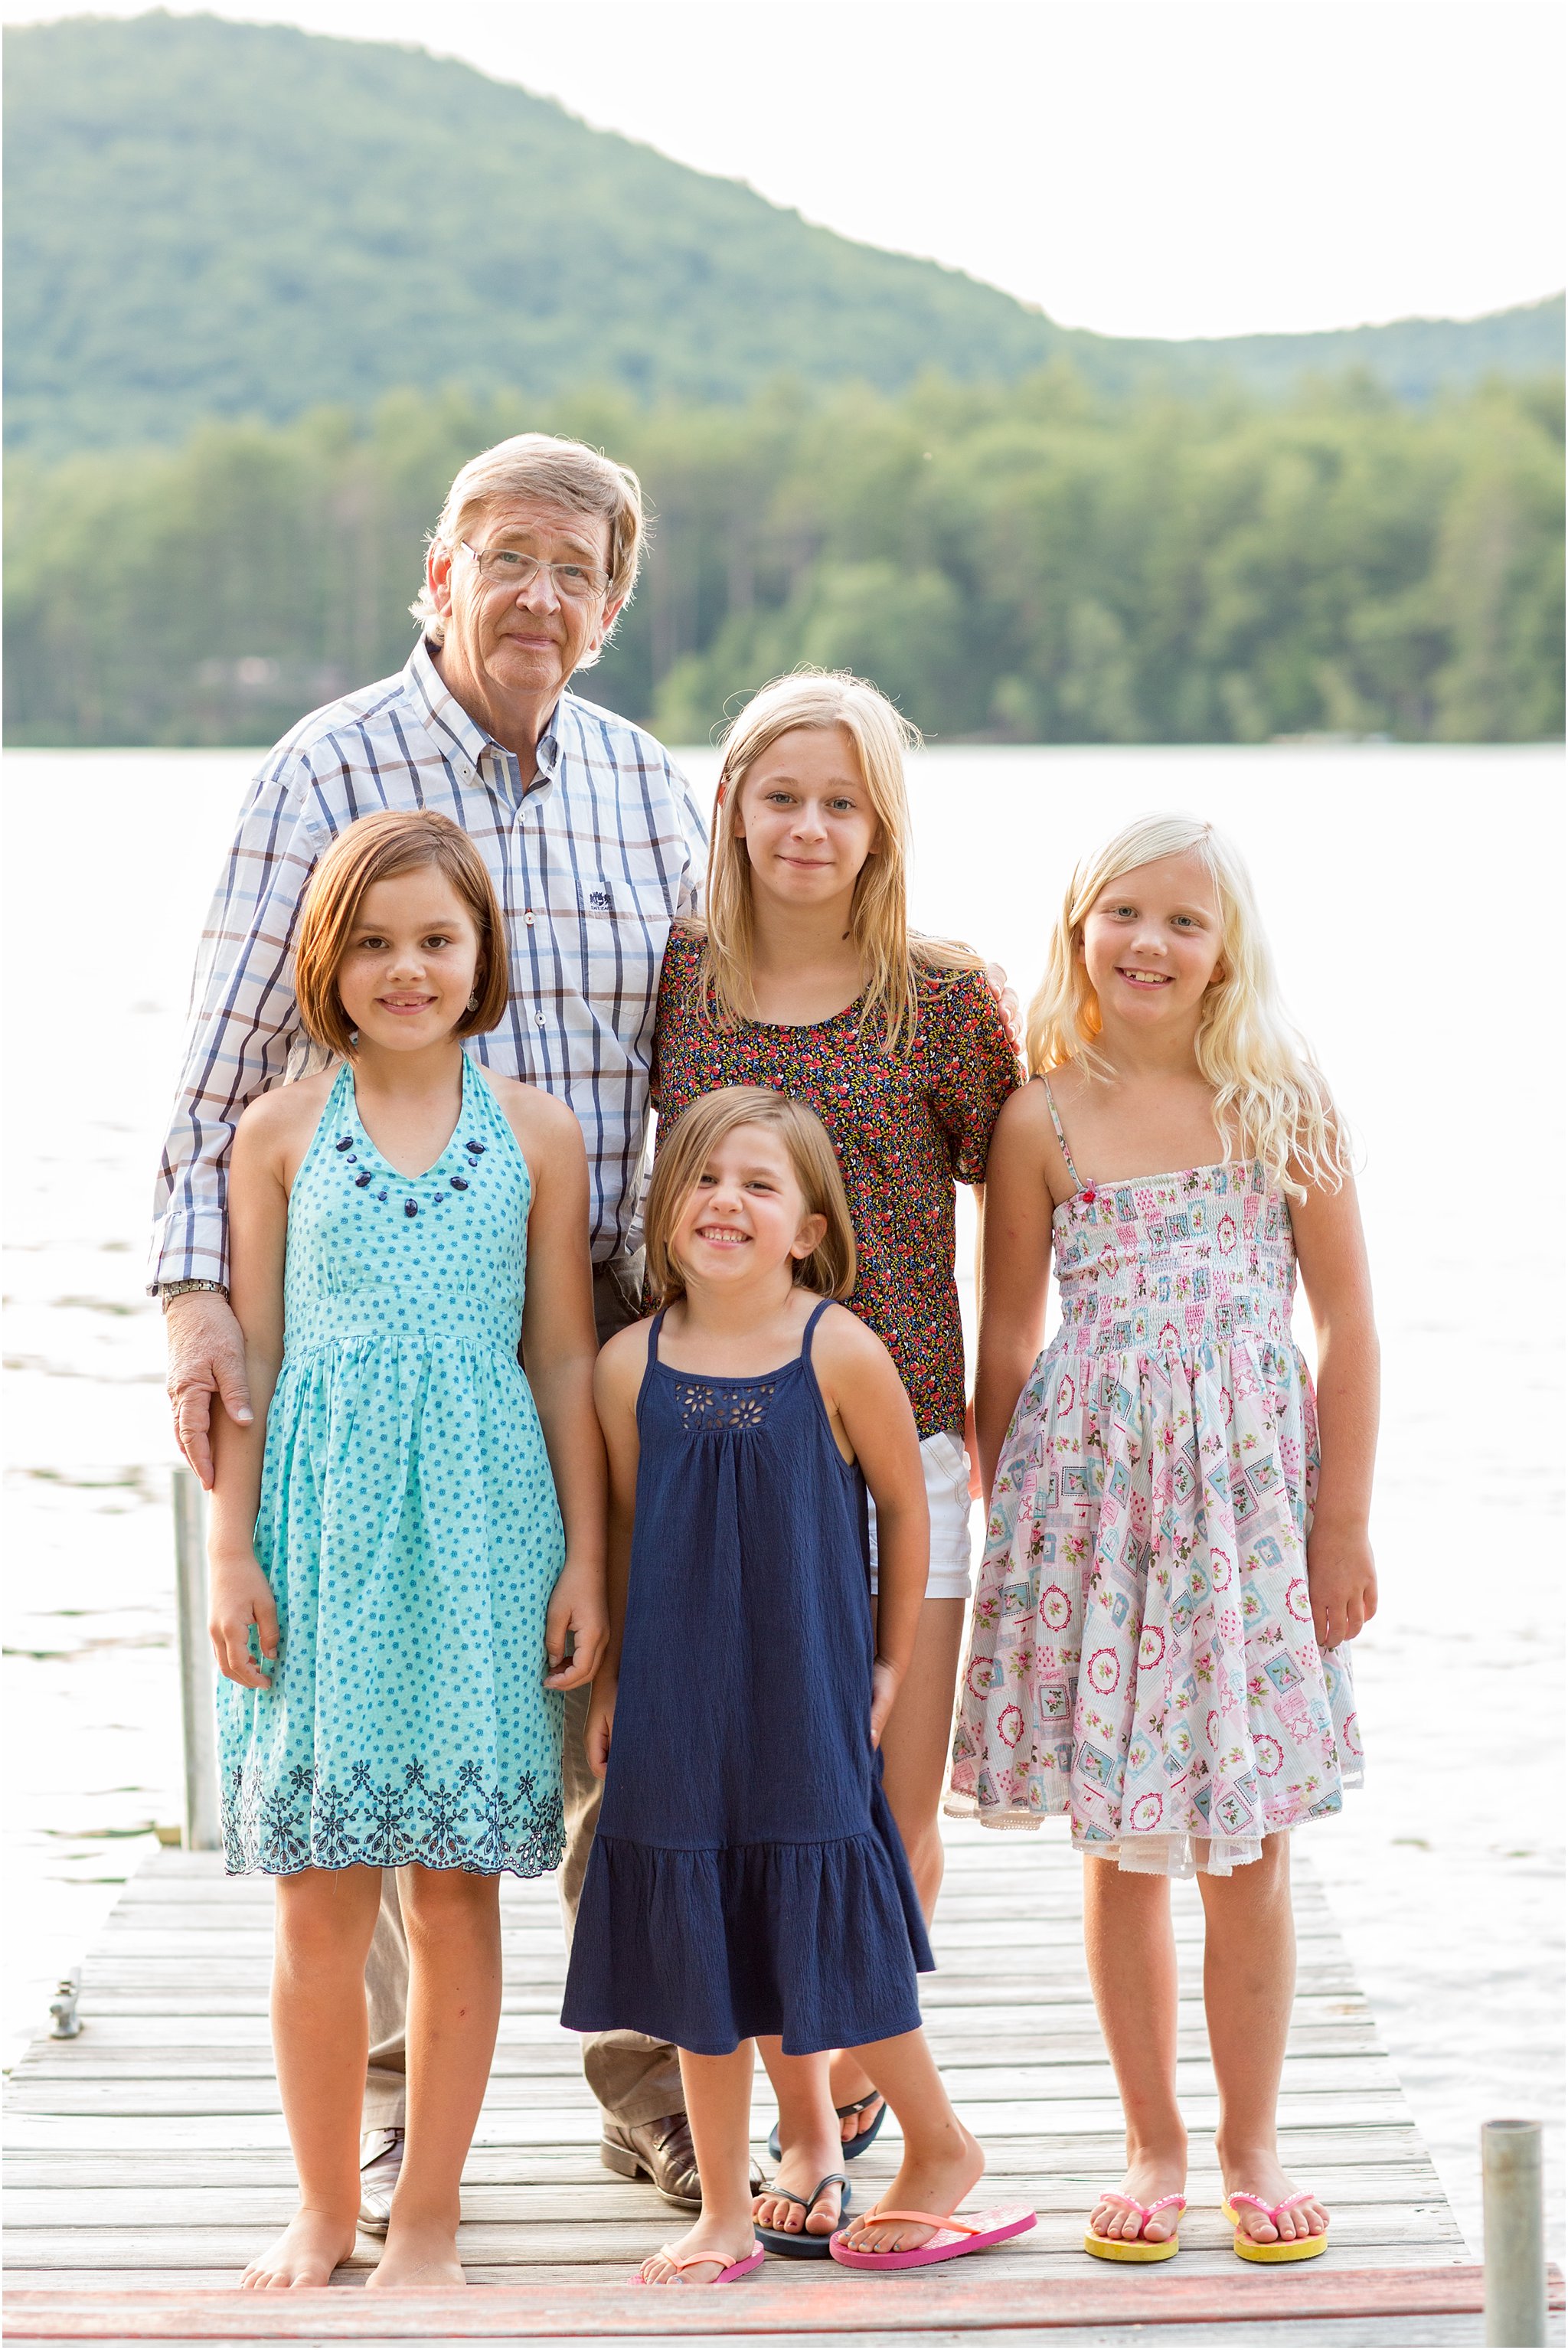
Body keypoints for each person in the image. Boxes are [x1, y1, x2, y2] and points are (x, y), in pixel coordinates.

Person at [150, 433, 744, 2220]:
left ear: (615, 600)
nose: (538, 594)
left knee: (604, 1697)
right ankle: (398, 2118)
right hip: (362, 1301)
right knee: (394, 1718)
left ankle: (645, 2078)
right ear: (438, 570)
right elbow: (220, 1085)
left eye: (575, 568)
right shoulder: (322, 767)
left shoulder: (651, 789)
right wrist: (201, 1314)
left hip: (603, 1298)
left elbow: (704, 1061)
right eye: (505, 557)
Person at [951, 814, 1378, 2267]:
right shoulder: (1041, 1120)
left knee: (1244, 1840)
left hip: (1249, 1514)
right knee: (1122, 1844)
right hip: (1095, 1519)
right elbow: (1006, 1344)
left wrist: (1342, 1523)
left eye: (1184, 921)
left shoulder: (1279, 1096)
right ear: (1079, 928)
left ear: (1226, 951)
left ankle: (1255, 2142)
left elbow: (1351, 1326)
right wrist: (1017, 1539)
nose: (1149, 942)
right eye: (1122, 912)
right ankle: (1153, 2139)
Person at [207, 811, 606, 2290]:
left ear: (481, 952)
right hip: (320, 1535)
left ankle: (427, 2211)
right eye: (373, 942)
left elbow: (564, 1361)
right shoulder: (277, 1135)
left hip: (488, 1535)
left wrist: (585, 1563)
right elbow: (250, 1350)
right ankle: (324, 2204)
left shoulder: (539, 1135)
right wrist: (228, 1551)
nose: (406, 967)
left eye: (436, 939)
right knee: (319, 1885)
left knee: (455, 1890)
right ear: (328, 959)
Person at [648, 670, 1018, 2238]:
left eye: (842, 801)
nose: (808, 825)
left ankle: (857, 2093)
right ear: (729, 800)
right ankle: (815, 2120)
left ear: (881, 825)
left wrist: (994, 1409)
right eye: (779, 793)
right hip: (725, 1460)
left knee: (877, 1796)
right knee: (755, 1797)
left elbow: (1031, 1195)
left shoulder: (940, 997)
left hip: (901, 1446)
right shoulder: (674, 980)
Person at [563, 1086, 1036, 2280]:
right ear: (669, 1207)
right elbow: (626, 1528)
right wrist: (615, 1674)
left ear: (808, 1228)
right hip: (676, 1701)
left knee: (833, 1936)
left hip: (804, 1691)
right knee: (698, 1957)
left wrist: (888, 1662)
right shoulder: (630, 1366)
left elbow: (908, 1499)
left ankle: (941, 2140)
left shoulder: (839, 1346)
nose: (728, 1201)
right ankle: (725, 2208)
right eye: (706, 1179)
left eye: (760, 1184)